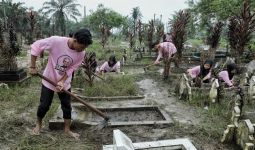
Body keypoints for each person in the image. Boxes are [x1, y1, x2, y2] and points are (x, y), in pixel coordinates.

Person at [29, 28, 93, 140]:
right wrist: (33, 67)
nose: (83, 49)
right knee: (44, 105)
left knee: (67, 107)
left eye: (85, 47)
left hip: (64, 83)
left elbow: (72, 68)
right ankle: (38, 124)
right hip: (49, 78)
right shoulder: (56, 41)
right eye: (82, 46)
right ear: (75, 40)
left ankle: (67, 130)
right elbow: (36, 46)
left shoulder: (81, 53)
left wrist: (62, 81)